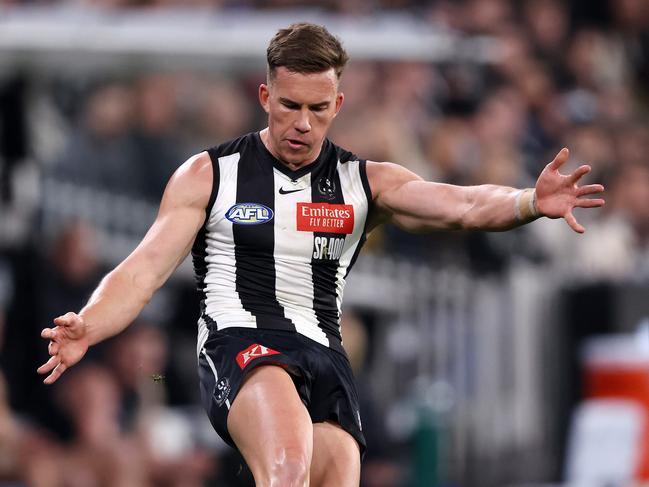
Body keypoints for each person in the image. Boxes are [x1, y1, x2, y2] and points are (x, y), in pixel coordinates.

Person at [38, 23, 605, 487]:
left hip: (323, 352)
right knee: (288, 466)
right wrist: (90, 323)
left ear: (337, 103)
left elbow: (460, 205)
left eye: (317, 108)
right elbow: (142, 268)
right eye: (288, 105)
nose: (302, 124)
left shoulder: (364, 182)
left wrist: (530, 200)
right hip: (239, 342)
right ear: (265, 97)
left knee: (332, 476)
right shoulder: (209, 175)